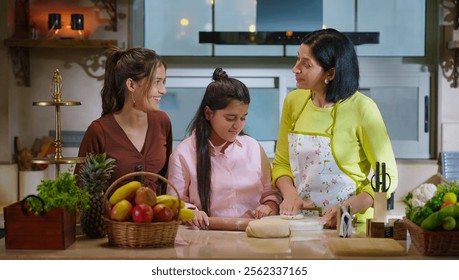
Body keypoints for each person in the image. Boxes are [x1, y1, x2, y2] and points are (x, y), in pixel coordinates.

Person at [271, 28, 398, 228]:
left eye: (306, 64)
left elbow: (387, 176)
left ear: (330, 73)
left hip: (349, 222)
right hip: (301, 222)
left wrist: (347, 210)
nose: (295, 69)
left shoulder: (363, 108)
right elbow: (281, 164)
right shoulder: (293, 102)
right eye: (297, 60)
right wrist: (290, 196)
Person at [167, 67, 280, 229]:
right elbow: (175, 202)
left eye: (243, 118)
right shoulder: (184, 154)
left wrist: (269, 206)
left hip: (252, 239)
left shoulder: (253, 148)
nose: (238, 125)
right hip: (205, 241)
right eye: (230, 118)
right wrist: (192, 212)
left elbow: (270, 193)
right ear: (208, 113)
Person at [76, 47, 172, 193]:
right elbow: (81, 190)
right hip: (110, 216)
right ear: (131, 85)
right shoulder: (99, 131)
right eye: (156, 82)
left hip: (157, 215)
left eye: (163, 82)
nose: (163, 90)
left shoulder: (162, 122)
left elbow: (165, 181)